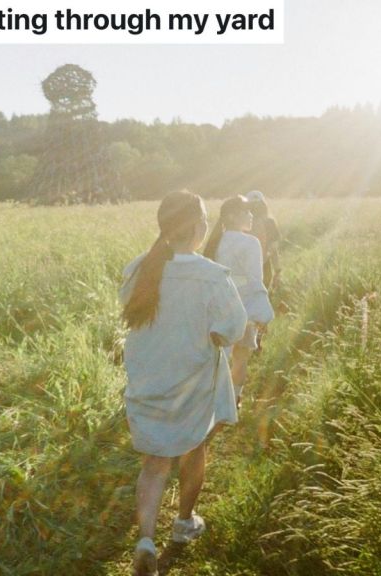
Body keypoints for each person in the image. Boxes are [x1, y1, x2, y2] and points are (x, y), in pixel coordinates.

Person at [120, 190, 247, 575]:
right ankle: (184, 523)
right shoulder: (210, 275)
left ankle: (145, 538)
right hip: (191, 385)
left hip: (148, 379)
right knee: (194, 450)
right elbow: (233, 328)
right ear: (196, 226)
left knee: (154, 463)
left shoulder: (138, 268)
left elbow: (130, 311)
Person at [203, 196, 275, 404]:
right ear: (232, 216)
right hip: (244, 308)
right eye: (246, 212)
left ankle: (214, 398)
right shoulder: (250, 242)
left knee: (219, 357)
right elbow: (255, 281)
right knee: (241, 358)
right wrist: (263, 312)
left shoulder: (214, 242)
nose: (251, 215)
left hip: (219, 308)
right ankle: (233, 400)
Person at [244, 190, 281, 292]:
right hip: (264, 266)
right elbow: (274, 249)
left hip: (244, 268)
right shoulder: (270, 222)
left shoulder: (241, 223)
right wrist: (277, 271)